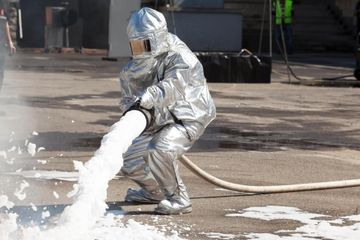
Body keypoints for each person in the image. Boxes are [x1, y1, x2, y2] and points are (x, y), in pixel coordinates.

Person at [119, 7, 216, 215]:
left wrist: (147, 97)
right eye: (135, 45)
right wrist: (130, 114)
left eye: (144, 44)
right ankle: (154, 191)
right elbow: (128, 99)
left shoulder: (181, 57)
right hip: (157, 117)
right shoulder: (134, 67)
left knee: (160, 148)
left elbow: (173, 87)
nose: (140, 50)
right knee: (127, 158)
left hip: (187, 115)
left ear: (156, 38)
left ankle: (178, 198)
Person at [0, 0, 15, 92]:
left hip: (2, 44)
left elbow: (6, 24)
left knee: (1, 71)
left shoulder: (6, 5)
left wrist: (10, 42)